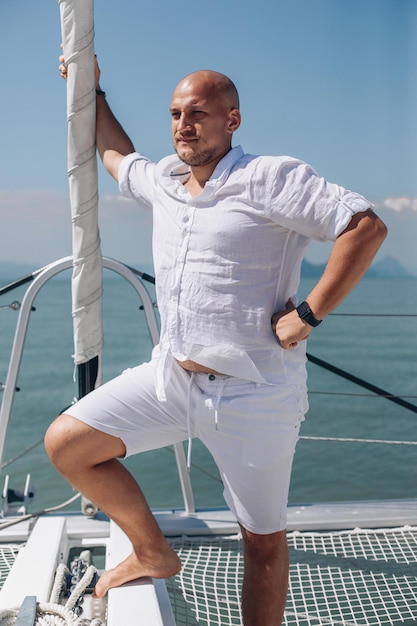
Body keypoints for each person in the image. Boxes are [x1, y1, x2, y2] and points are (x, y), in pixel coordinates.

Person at [45, 56, 387, 626]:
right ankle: (153, 551)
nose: (184, 124)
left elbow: (363, 226)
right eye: (176, 114)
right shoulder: (167, 182)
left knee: (261, 540)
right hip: (171, 379)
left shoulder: (270, 177)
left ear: (232, 120)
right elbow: (116, 156)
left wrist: (308, 314)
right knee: (68, 444)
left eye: (198, 113)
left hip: (255, 394)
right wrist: (91, 89)